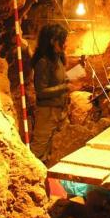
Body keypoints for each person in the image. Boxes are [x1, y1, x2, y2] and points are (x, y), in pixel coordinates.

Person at [30, 24, 70, 165]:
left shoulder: (57, 59)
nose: (66, 44)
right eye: (63, 40)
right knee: (39, 147)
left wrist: (68, 80)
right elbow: (41, 91)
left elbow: (58, 80)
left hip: (58, 110)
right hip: (47, 112)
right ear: (53, 40)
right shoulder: (43, 62)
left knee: (50, 149)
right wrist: (64, 87)